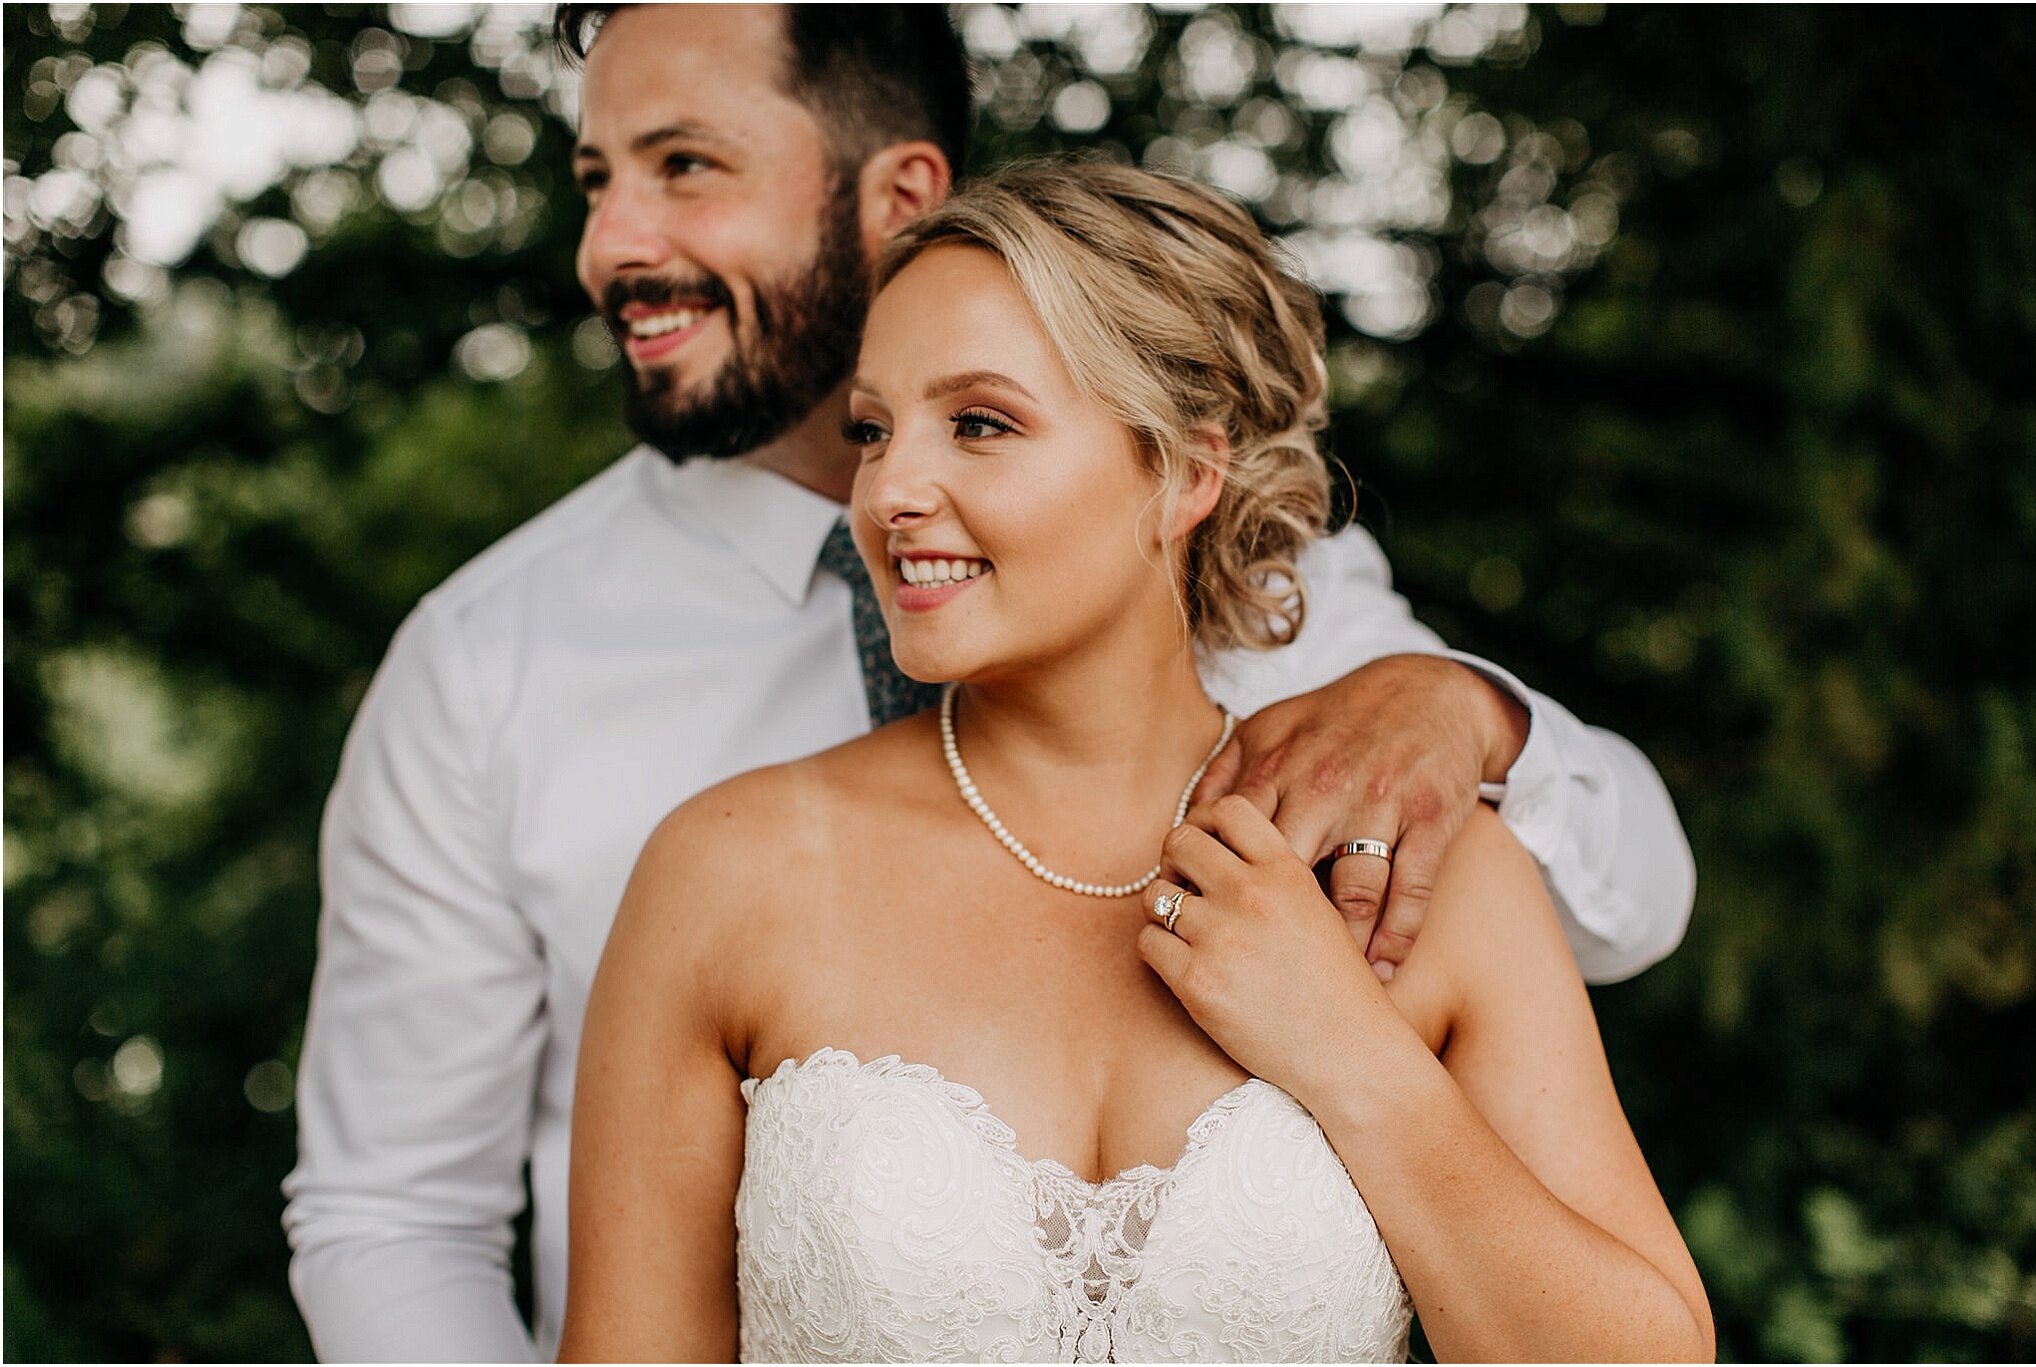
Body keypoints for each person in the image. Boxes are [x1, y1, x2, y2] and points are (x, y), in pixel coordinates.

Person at [282, 5, 1696, 1361]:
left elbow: (1633, 896)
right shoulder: (547, 714)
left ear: (1189, 472)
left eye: (686, 165)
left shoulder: (1375, 759)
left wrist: (1463, 709)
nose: (893, 490)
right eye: (876, 431)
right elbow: (390, 1218)